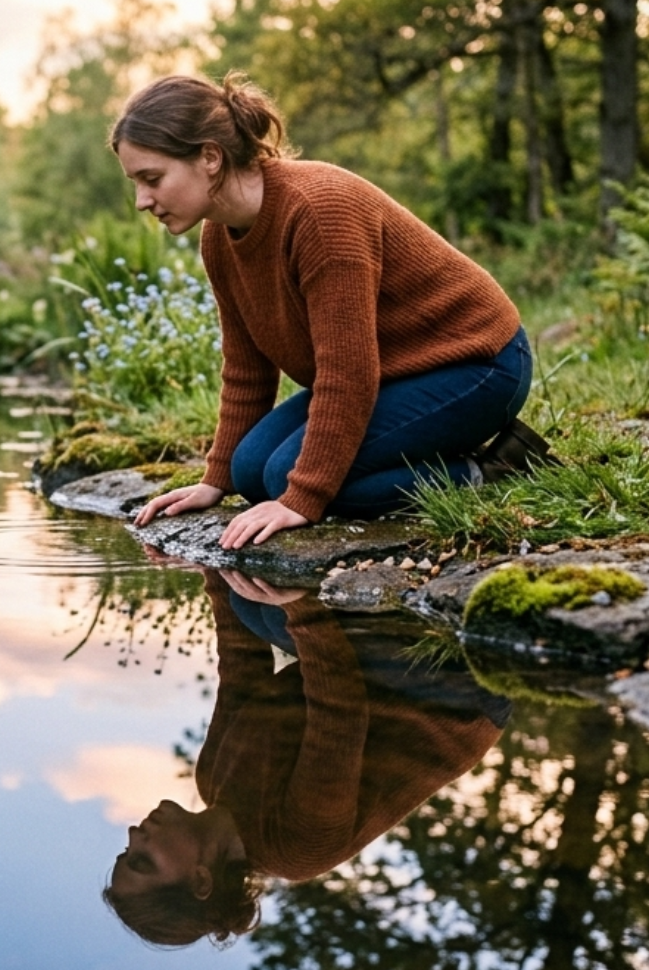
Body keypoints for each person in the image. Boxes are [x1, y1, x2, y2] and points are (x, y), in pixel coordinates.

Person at [119, 72, 552, 549]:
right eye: (136, 183)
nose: (142, 201)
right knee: (248, 472)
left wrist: (302, 498)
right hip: (394, 375)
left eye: (151, 179)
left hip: (479, 367)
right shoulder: (219, 238)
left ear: (209, 157)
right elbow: (246, 369)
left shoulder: (321, 211)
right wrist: (214, 480)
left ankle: (491, 469)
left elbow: (348, 373)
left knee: (291, 476)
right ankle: (422, 444)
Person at [103, 569, 510, 947]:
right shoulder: (296, 848)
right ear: (200, 881)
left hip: (378, 680)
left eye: (125, 852)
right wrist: (299, 606)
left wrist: (215, 568)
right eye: (143, 860)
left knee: (252, 606)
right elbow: (340, 715)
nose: (135, 835)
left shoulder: (211, 780)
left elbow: (242, 666)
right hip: (449, 701)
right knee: (273, 613)